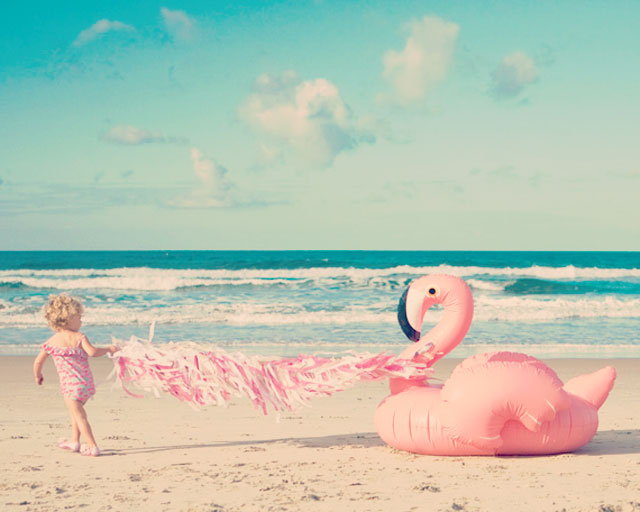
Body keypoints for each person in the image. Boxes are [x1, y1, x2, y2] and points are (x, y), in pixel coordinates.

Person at [33, 294, 118, 457]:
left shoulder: (52, 341)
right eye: (79, 318)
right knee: (76, 412)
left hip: (70, 387)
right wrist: (109, 349)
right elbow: (93, 352)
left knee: (79, 415)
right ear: (68, 319)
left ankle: (92, 445)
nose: (81, 322)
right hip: (86, 384)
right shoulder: (80, 337)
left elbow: (38, 362)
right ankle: (74, 441)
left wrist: (38, 376)